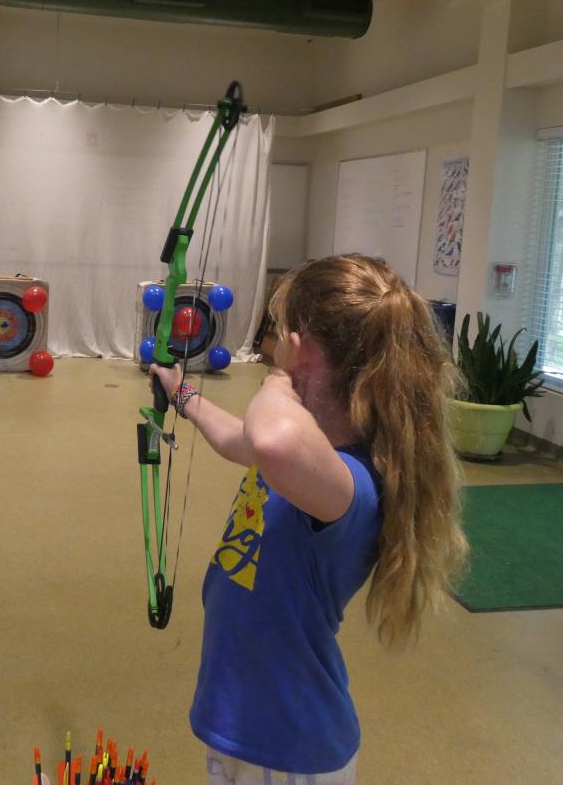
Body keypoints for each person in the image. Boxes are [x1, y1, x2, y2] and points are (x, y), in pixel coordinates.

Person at [150, 254, 468, 785]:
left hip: (289, 749)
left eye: (281, 337)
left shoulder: (351, 483)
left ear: (307, 351)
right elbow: (244, 440)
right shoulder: (312, 457)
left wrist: (279, 377)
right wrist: (183, 395)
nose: (274, 348)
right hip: (246, 726)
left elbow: (271, 441)